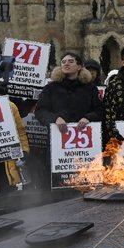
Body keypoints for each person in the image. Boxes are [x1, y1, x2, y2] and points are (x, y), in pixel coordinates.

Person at [35, 52, 102, 184]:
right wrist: (55, 118)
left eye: (70, 61)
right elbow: (40, 111)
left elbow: (100, 110)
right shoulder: (50, 88)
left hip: (84, 147)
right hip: (58, 146)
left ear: (79, 66)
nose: (66, 64)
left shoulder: (90, 89)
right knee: (60, 184)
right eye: (64, 61)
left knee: (85, 183)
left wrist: (88, 118)